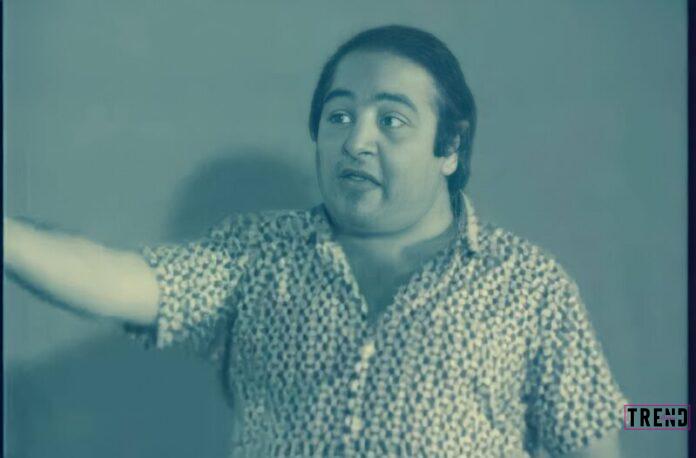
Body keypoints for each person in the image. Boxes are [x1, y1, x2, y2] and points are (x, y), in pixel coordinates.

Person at [4, 25, 629, 457]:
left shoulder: (527, 285)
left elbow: (595, 439)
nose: (356, 141)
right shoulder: (256, 256)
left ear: (450, 148)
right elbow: (110, 278)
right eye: (339, 116)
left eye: (391, 120)